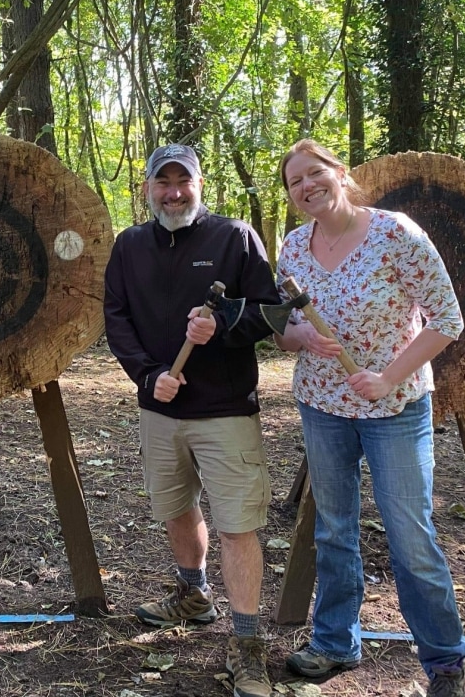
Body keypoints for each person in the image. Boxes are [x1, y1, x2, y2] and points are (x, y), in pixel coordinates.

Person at [274, 139, 465, 697]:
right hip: (322, 406)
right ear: (291, 195)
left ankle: (444, 659)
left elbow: (447, 318)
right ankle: (336, 642)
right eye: (296, 182)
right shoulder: (292, 248)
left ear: (340, 173)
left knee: (410, 536)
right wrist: (300, 336)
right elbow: (281, 328)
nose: (308, 186)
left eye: (316, 173)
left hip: (395, 407)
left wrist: (387, 375)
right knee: (335, 530)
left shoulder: (395, 232)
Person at [104, 144, 281, 697]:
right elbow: (116, 317)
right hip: (160, 408)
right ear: (147, 188)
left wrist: (224, 321)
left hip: (224, 409)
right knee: (175, 506)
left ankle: (248, 646)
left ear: (201, 183)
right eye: (164, 182)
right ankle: (193, 594)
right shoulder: (129, 245)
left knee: (236, 524)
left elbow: (269, 311)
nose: (174, 192)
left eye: (184, 181)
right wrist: (146, 373)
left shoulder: (234, 237)